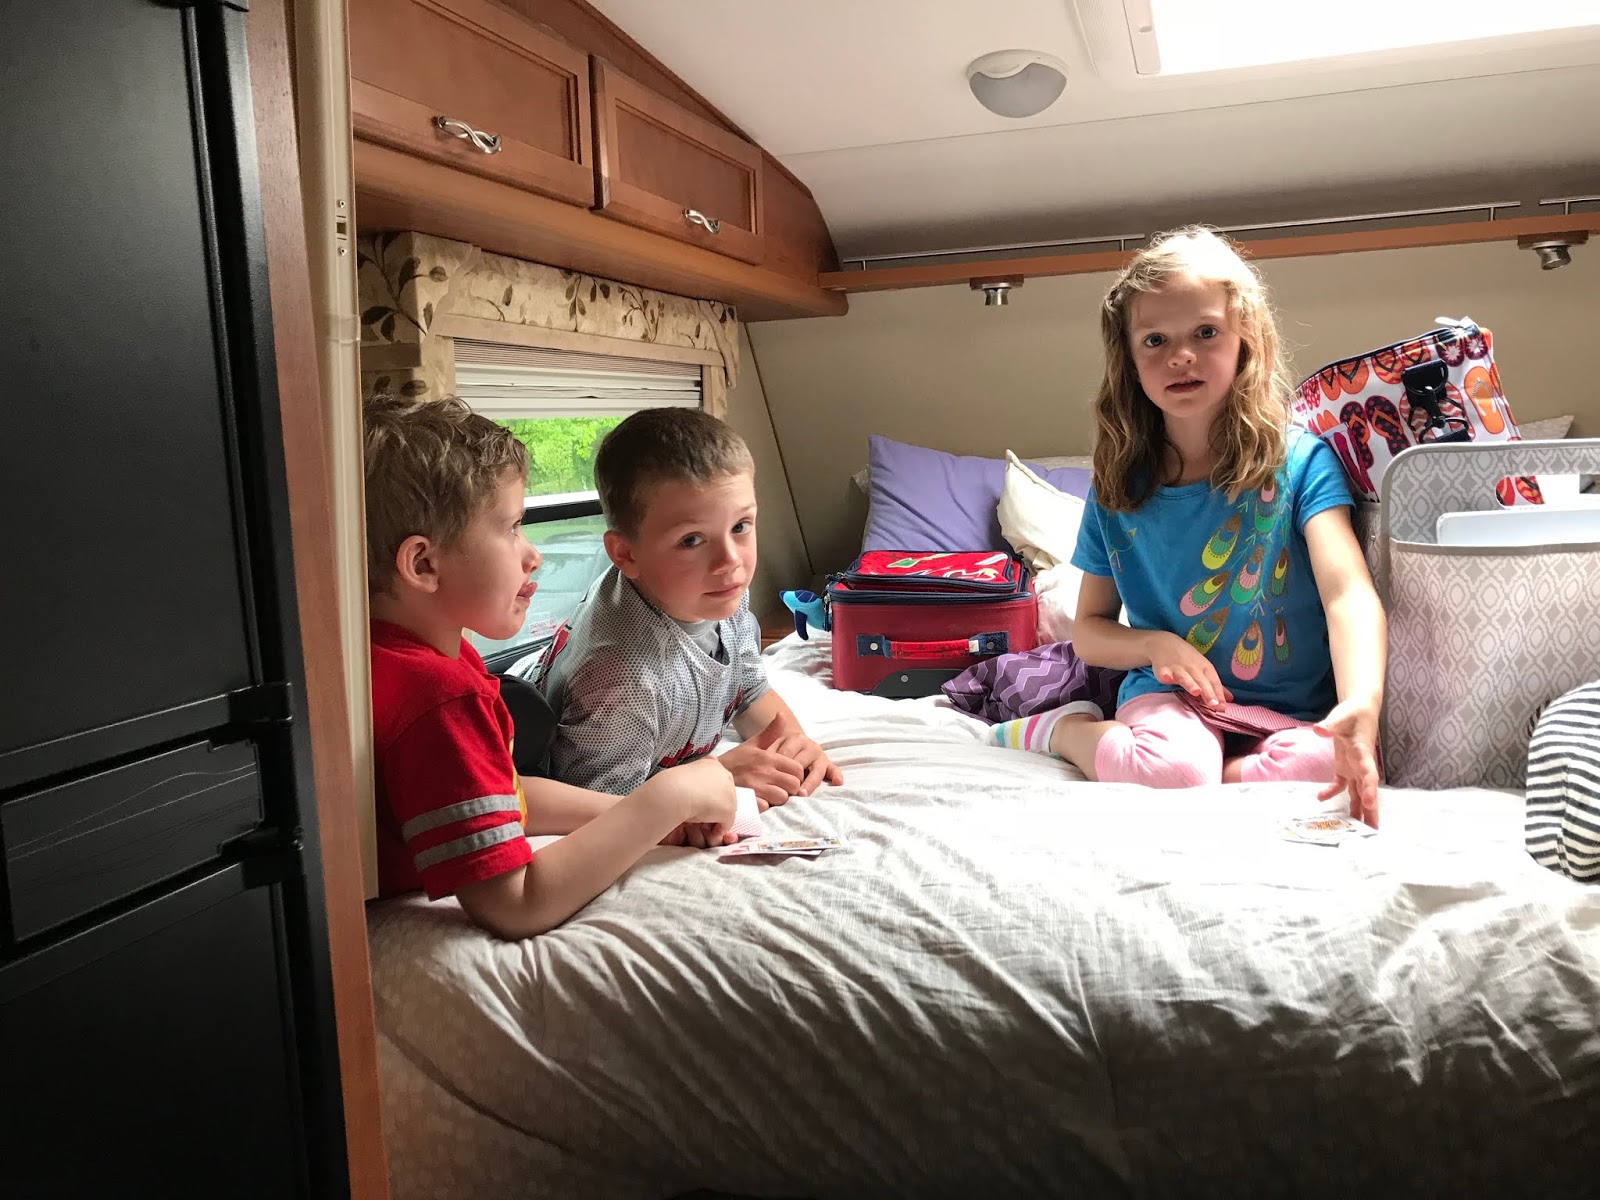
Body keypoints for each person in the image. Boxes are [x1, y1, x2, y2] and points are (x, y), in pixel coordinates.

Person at [989, 227, 1385, 825]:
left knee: (1324, 764)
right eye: (1155, 340)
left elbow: (1347, 592)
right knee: (1173, 769)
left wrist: (1362, 702)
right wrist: (1156, 645)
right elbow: (1090, 629)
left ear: (1245, 338)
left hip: (1286, 708)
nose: (1181, 356)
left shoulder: (1302, 462)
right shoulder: (1119, 488)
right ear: (1129, 359)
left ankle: (1213, 772)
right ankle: (1066, 731)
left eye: (1205, 332)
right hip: (1171, 697)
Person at [364, 395, 735, 939]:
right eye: (512, 527)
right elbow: (514, 904)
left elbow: (507, 796)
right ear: (423, 564)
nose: (532, 555)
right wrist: (669, 796)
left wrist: (646, 820)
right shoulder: (438, 695)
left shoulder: (400, 656)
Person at [537, 406, 841, 845]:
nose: (730, 561)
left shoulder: (719, 595)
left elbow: (748, 692)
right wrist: (715, 776)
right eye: (691, 540)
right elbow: (600, 811)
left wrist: (792, 744)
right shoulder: (621, 679)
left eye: (741, 526)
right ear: (626, 555)